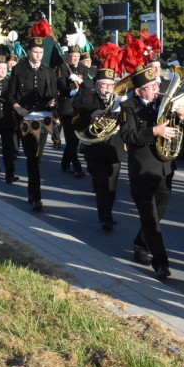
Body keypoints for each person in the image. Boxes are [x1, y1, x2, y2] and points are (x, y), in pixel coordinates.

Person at [119, 62, 184, 279]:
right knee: (150, 218)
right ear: (139, 90)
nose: (155, 90)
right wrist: (154, 131)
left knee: (156, 216)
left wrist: (182, 117)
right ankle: (161, 263)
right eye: (150, 87)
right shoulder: (128, 106)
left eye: (155, 85)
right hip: (141, 170)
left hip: (165, 169)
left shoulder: (163, 102)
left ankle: (140, 245)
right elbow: (128, 135)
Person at [73, 44, 126, 231]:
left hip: (115, 150)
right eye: (103, 85)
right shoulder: (87, 99)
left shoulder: (119, 101)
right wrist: (90, 116)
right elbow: (76, 123)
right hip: (94, 150)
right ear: (96, 85)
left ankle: (108, 213)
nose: (107, 89)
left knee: (112, 187)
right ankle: (104, 218)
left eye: (110, 85)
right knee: (101, 185)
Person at [5, 29, 58, 212]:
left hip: (42, 118)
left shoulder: (48, 70)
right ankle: (35, 195)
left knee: (37, 158)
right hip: (25, 119)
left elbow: (54, 94)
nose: (38, 55)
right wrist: (18, 107)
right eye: (35, 52)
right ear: (28, 51)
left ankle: (34, 193)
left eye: (41, 52)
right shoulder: (18, 70)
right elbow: (10, 95)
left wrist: (53, 101)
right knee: (32, 158)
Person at [56, 47, 90, 177]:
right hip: (67, 108)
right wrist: (70, 91)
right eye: (72, 56)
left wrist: (81, 82)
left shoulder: (83, 69)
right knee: (71, 139)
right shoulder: (63, 68)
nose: (75, 58)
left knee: (75, 139)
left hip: (80, 108)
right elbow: (60, 85)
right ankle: (77, 167)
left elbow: (89, 84)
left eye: (77, 56)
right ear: (68, 56)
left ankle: (65, 163)